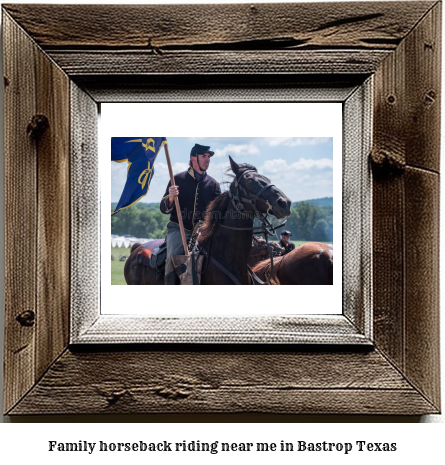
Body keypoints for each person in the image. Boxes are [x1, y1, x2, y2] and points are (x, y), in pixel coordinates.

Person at [160, 143, 221, 284]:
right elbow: (163, 209)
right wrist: (170, 198)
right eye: (203, 156)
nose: (207, 160)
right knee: (172, 256)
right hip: (178, 229)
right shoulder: (177, 179)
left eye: (208, 157)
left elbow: (218, 214)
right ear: (193, 158)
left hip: (203, 232)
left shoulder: (214, 184)